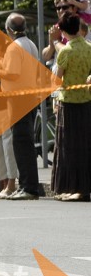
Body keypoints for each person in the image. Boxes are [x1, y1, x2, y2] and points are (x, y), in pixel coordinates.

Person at [0, 13, 40, 200]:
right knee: (25, 142)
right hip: (30, 96)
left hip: (18, 98)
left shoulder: (14, 47)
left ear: (8, 29)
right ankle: (27, 185)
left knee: (21, 143)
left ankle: (28, 187)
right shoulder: (31, 44)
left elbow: (13, 74)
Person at [50, 13, 91, 201]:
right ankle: (83, 187)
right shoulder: (89, 48)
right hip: (86, 101)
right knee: (84, 144)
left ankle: (73, 187)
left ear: (64, 31)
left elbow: (56, 80)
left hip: (68, 103)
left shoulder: (66, 51)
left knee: (68, 146)